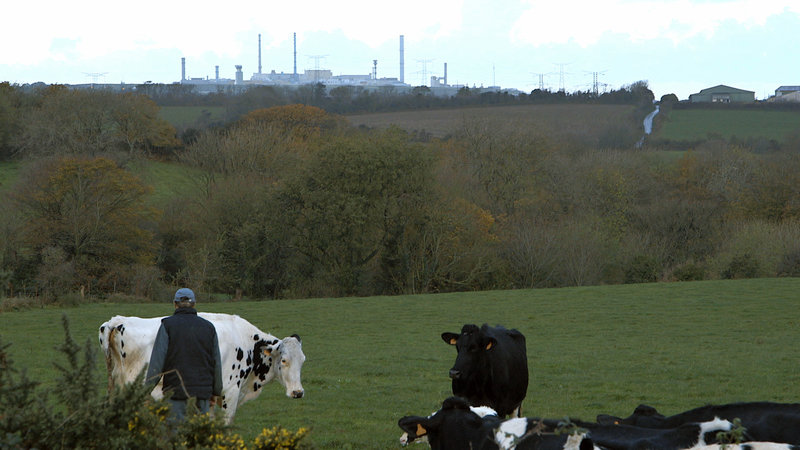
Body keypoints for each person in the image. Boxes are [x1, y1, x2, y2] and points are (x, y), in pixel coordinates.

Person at [146, 288, 223, 420]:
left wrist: (145, 391)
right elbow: (216, 363)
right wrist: (215, 391)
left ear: (175, 304)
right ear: (194, 304)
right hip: (202, 395)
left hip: (175, 394)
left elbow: (157, 362)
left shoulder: (167, 325)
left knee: (175, 437)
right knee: (199, 436)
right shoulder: (209, 328)